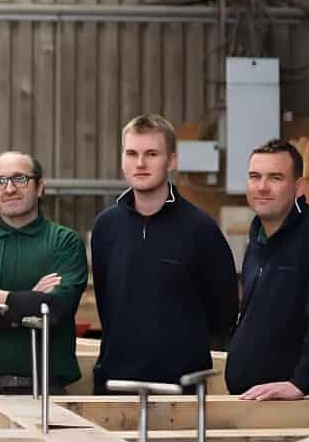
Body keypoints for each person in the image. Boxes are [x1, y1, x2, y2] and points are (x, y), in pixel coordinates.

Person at [91, 114, 238, 394]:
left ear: (171, 161)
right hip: (116, 383)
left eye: (151, 154)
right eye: (131, 153)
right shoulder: (105, 227)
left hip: (181, 387)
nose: (140, 163)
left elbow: (224, 313)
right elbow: (107, 303)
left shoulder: (201, 229)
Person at [0, 151, 87, 395]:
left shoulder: (65, 242)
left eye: (20, 179)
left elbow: (56, 310)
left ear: (40, 187)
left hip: (43, 392)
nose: (9, 188)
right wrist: (27, 304)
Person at [226, 139, 309, 400]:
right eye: (254, 177)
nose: (262, 187)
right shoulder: (258, 240)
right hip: (257, 401)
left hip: (302, 404)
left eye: (275, 178)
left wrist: (301, 383)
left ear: (298, 187)